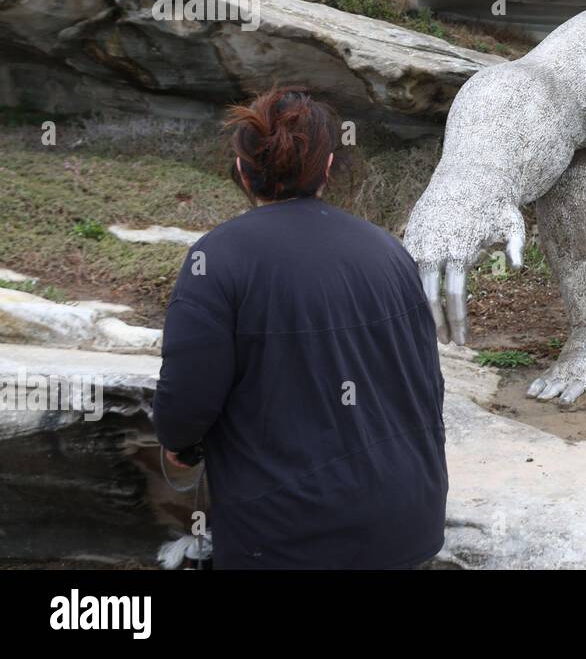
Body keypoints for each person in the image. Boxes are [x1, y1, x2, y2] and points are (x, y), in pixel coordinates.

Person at [153, 86, 448, 569]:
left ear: (243, 171)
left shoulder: (217, 260)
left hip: (287, 539)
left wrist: (181, 444)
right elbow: (426, 386)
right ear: (328, 168)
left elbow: (185, 404)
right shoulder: (390, 253)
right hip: (407, 522)